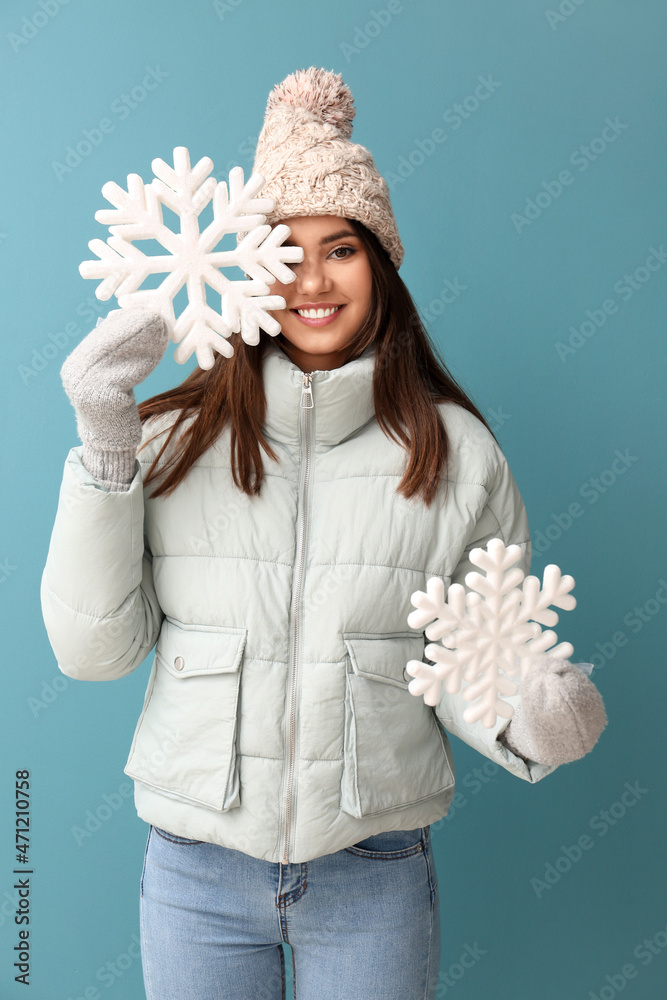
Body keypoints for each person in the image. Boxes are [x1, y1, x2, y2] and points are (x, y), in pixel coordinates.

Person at [40, 67, 607, 1000]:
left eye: (340, 247)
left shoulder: (455, 453)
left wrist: (526, 710)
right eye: (283, 248)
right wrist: (106, 435)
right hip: (196, 874)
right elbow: (94, 650)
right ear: (242, 267)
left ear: (378, 265)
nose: (310, 278)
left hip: (373, 872)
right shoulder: (169, 440)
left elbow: (465, 658)